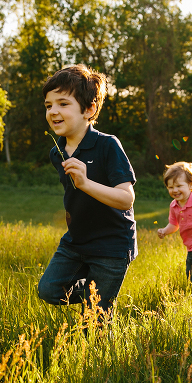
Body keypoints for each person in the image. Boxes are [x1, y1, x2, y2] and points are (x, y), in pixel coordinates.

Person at [36, 64, 137, 321]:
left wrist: (86, 183)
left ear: (89, 109)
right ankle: (96, 290)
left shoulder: (107, 145)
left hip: (112, 244)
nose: (53, 111)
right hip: (76, 241)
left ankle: (100, 301)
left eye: (63, 103)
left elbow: (126, 198)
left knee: (95, 323)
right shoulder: (56, 151)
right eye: (49, 105)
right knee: (48, 290)